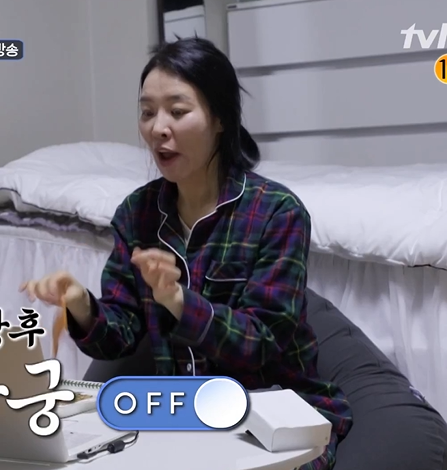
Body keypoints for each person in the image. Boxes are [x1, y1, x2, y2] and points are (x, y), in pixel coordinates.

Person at [20, 37, 352, 470]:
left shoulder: (277, 212)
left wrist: (179, 302)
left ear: (220, 118)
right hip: (184, 414)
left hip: (276, 414)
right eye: (147, 112)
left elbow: (262, 344)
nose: (158, 128)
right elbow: (119, 337)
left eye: (177, 111)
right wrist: (80, 303)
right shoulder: (136, 214)